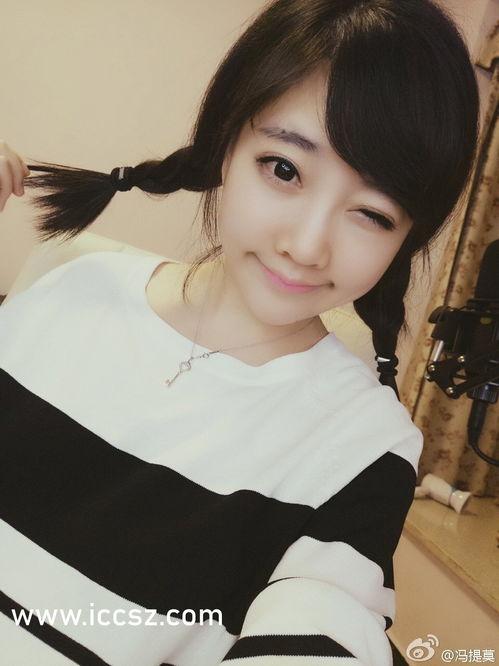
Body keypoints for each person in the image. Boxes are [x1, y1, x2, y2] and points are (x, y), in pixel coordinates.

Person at [0, 0, 479, 665]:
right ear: (225, 143)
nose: (306, 246)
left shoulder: (366, 446)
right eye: (284, 169)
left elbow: (329, 617)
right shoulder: (71, 289)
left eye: (372, 213)